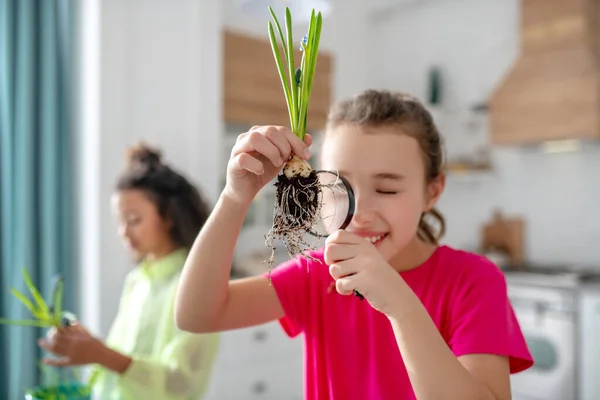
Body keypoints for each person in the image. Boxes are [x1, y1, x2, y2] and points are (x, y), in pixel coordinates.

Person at [175, 89, 533, 400]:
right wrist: (236, 197)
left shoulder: (473, 280)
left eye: (387, 189)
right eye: (339, 186)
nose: (359, 213)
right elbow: (197, 314)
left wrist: (402, 307)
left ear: (432, 191)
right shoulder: (317, 274)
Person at [39, 143, 220, 400]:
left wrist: (101, 354)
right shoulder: (136, 281)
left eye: (134, 220)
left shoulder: (194, 286)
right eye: (120, 222)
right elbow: (121, 360)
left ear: (167, 217)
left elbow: (181, 383)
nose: (123, 232)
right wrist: (90, 346)